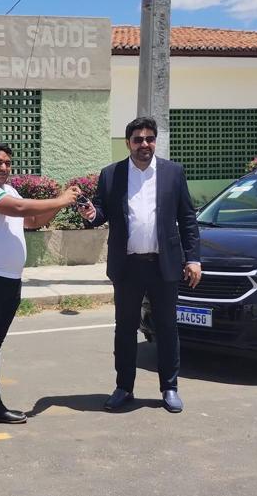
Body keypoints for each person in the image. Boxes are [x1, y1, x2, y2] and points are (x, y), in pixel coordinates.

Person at [78, 117, 201, 413]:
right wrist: (91, 213)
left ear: (155, 141)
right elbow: (101, 213)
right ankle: (124, 387)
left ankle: (169, 387)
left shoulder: (173, 173)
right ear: (128, 143)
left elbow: (187, 218)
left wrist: (193, 258)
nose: (144, 144)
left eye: (149, 139)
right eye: (138, 139)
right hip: (128, 266)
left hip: (164, 264)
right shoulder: (112, 174)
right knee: (125, 329)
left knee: (167, 327)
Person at [0, 140, 81, 440]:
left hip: (8, 281)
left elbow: (32, 219)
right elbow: (20, 208)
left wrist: (59, 202)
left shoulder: (9, 190)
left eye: (7, 163)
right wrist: (62, 200)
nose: (4, 167)